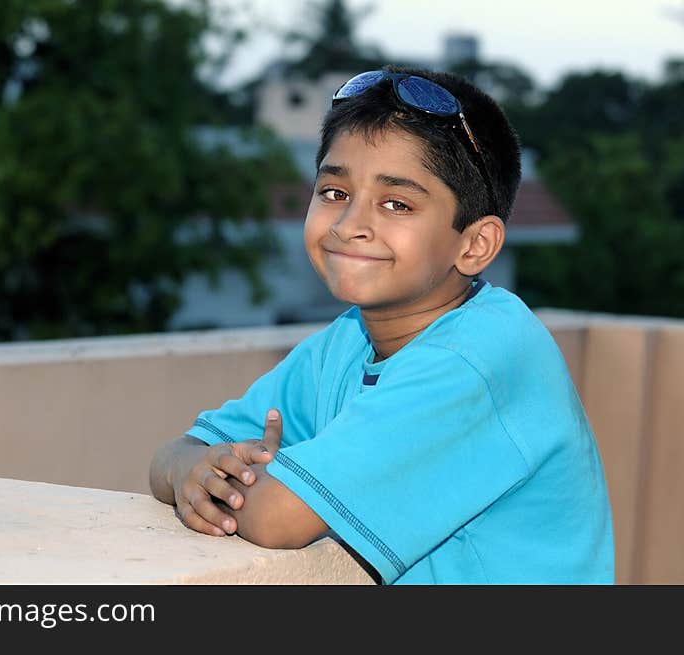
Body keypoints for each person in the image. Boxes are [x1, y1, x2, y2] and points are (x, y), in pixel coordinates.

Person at [148, 65, 615, 584]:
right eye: (334, 193)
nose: (350, 226)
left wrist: (240, 480)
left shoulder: (479, 357)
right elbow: (178, 452)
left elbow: (277, 517)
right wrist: (188, 471)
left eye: (397, 204)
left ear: (475, 244)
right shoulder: (346, 342)